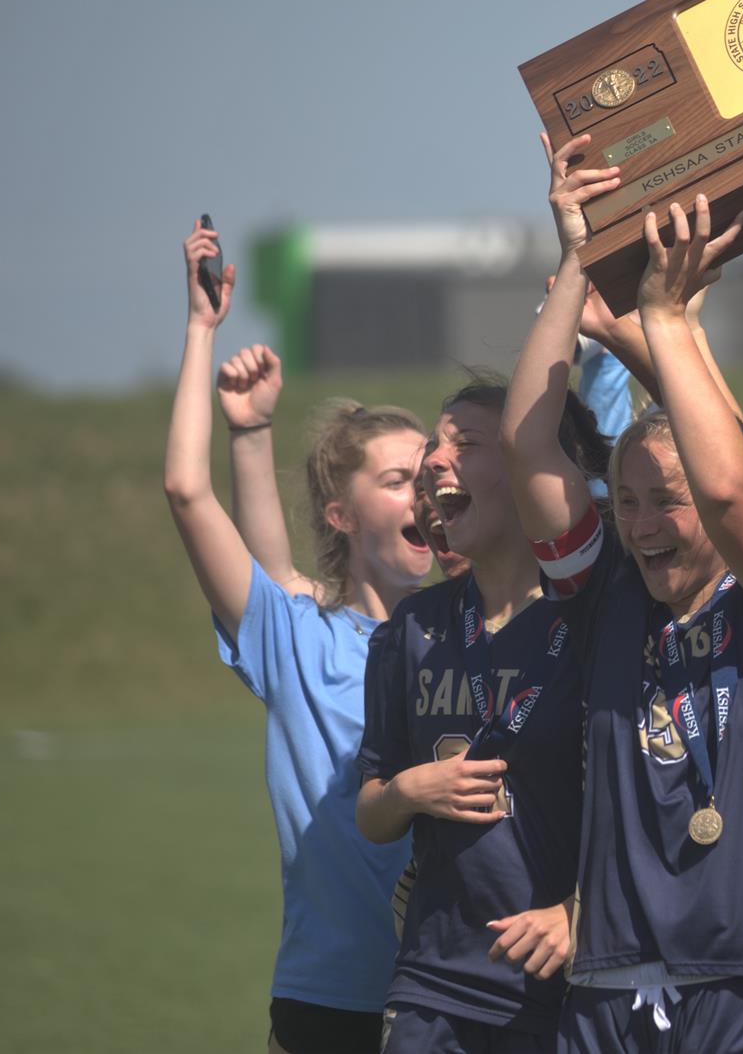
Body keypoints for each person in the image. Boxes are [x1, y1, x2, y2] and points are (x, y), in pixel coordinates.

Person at [515, 187, 743, 1050]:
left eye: (667, 501)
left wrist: (665, 317)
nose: (645, 523)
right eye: (627, 503)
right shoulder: (609, 604)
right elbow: (528, 448)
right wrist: (578, 259)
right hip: (607, 981)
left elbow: (735, 485)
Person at [354, 133, 617, 1053]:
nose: (435, 462)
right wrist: (412, 791)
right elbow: (372, 807)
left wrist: (584, 909)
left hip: (562, 989)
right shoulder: (416, 629)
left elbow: (638, 801)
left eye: (467, 446)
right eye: (433, 446)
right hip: (431, 983)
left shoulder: (596, 613)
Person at [163, 222, 428, 1054]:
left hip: (460, 996)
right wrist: (204, 335)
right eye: (398, 481)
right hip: (330, 1005)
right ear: (342, 516)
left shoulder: (482, 632)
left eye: (432, 476)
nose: (427, 494)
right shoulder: (301, 646)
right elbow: (185, 490)